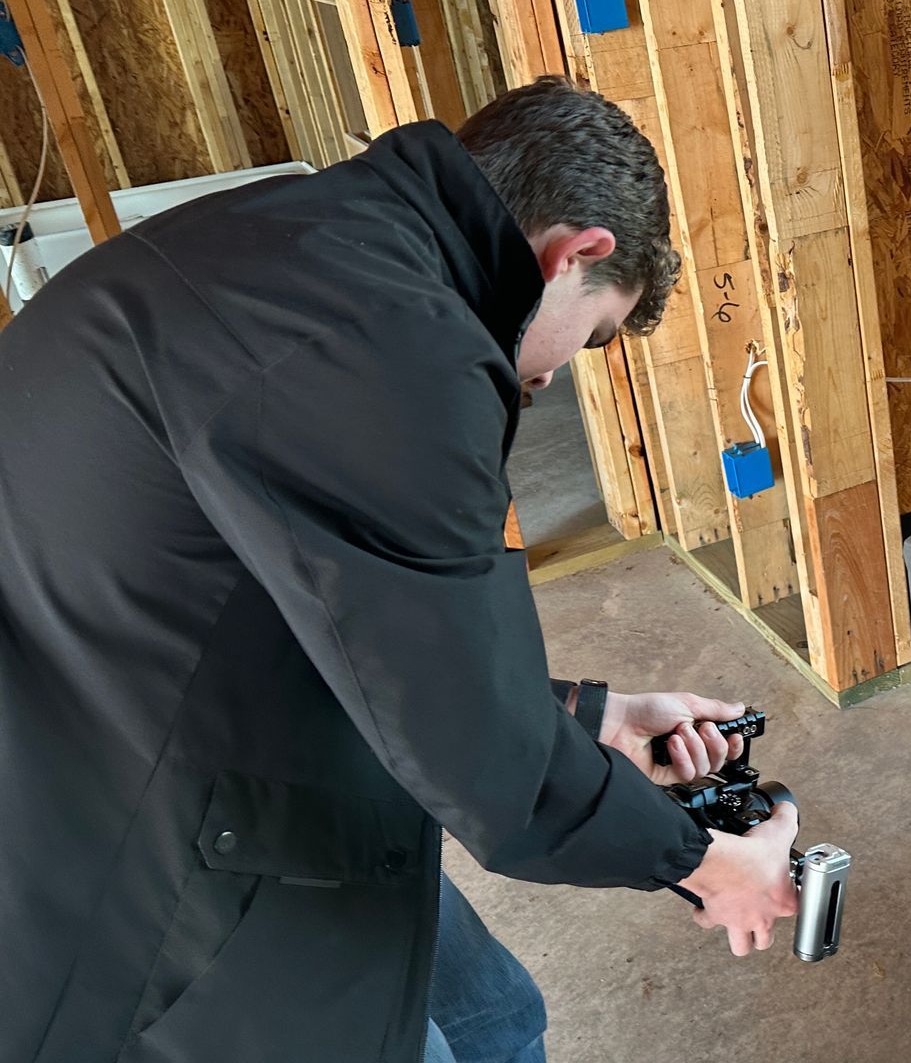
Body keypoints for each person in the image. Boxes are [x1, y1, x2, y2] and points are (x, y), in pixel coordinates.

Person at [0, 77, 799, 1063]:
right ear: (573, 254)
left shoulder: (306, 245)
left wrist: (591, 715)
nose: (548, 378)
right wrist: (709, 866)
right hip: (148, 872)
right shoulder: (396, 349)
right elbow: (487, 775)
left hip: (167, 731)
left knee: (495, 1021)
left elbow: (372, 628)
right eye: (589, 336)